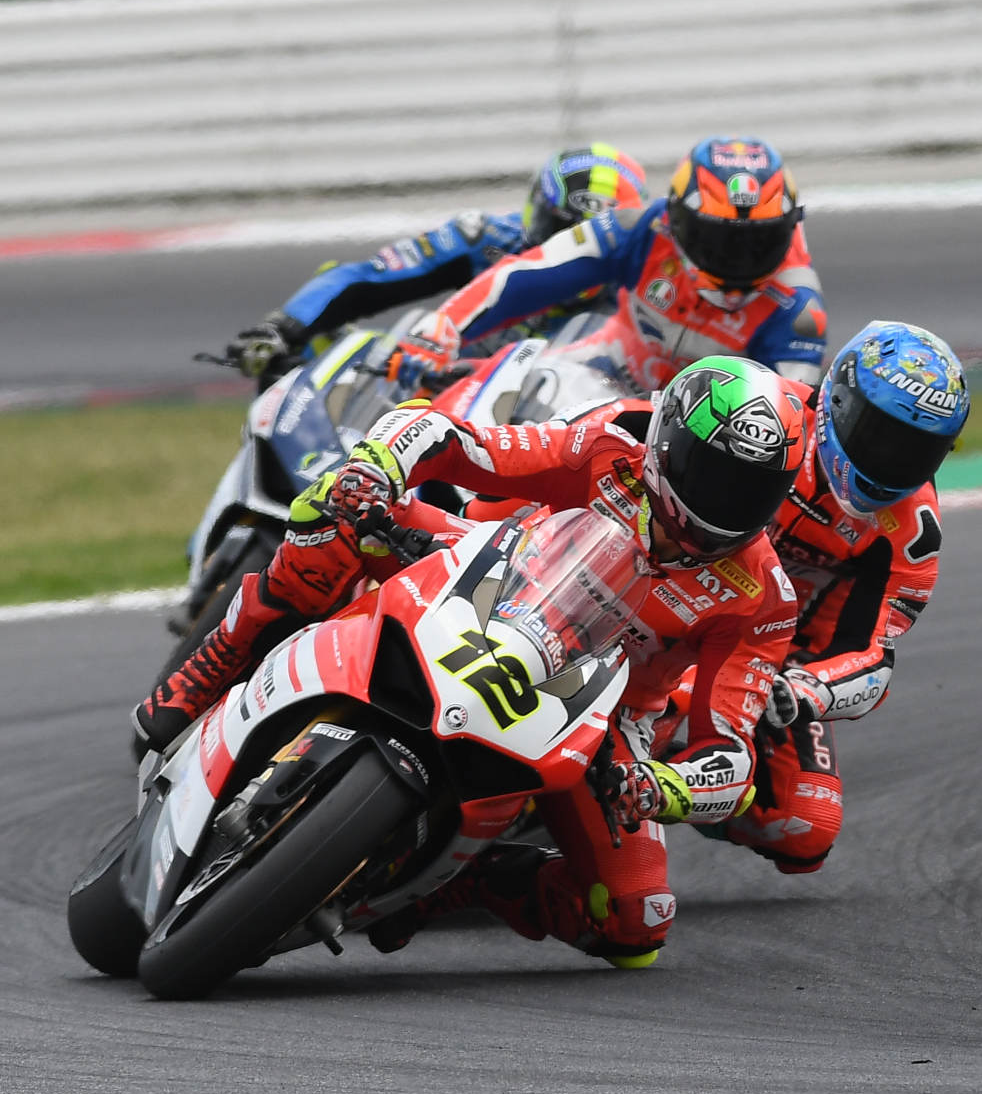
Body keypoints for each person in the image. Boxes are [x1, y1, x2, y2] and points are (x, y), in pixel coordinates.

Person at [131, 356, 808, 967]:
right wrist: (377, 467)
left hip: (607, 713)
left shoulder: (763, 597)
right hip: (494, 576)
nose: (727, 503)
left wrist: (662, 787)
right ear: (666, 446)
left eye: (752, 489)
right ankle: (216, 660)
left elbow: (731, 756)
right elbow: (454, 440)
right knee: (333, 510)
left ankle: (466, 881)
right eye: (714, 475)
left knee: (637, 921)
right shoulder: (609, 445)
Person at [708, 321, 968, 876]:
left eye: (917, 450)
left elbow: (874, 655)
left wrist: (803, 690)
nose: (892, 460)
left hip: (774, 665)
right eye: (881, 435)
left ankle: (683, 797)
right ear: (838, 401)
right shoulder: (760, 412)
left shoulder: (912, 533)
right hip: (675, 604)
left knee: (807, 828)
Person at [390, 135, 830, 392]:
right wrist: (443, 327)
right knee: (481, 389)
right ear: (677, 219)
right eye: (720, 240)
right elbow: (527, 273)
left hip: (693, 439)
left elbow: (785, 428)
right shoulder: (639, 228)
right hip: (603, 373)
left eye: (758, 242)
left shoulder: (799, 311)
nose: (738, 261)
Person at [221, 144, 648, 384]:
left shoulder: (644, 284)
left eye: (591, 237)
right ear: (536, 210)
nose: (571, 246)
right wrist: (284, 326)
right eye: (559, 228)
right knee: (331, 341)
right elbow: (366, 277)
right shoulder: (483, 236)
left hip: (536, 430)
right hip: (422, 394)